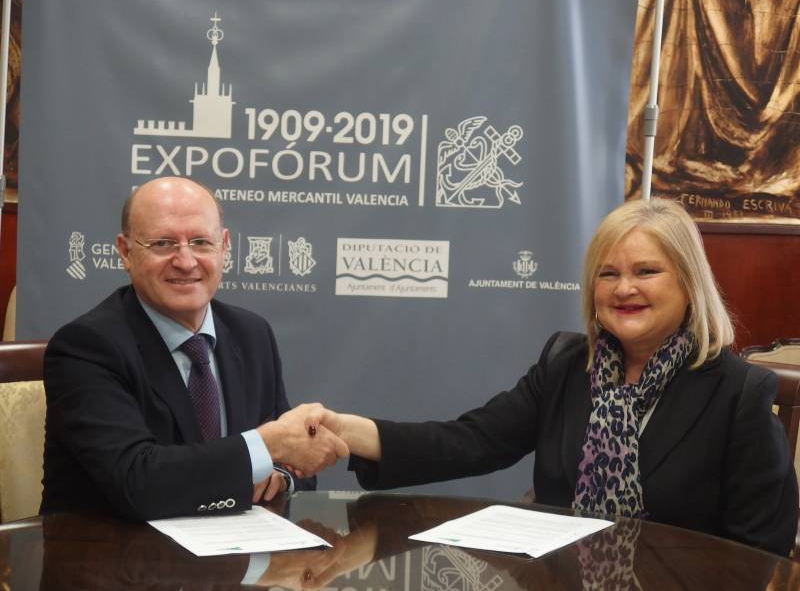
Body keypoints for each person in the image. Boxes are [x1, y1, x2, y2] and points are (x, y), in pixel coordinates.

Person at [312, 198, 799, 555]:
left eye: (646, 271)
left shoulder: (737, 393)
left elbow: (760, 553)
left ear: (688, 283)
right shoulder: (567, 364)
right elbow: (473, 440)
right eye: (608, 274)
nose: (624, 288)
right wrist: (351, 433)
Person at [41, 176, 347, 521]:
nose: (186, 261)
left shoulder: (252, 335)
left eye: (201, 242)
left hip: (235, 561)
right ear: (125, 252)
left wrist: (282, 477)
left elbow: (297, 463)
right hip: (118, 561)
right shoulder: (86, 348)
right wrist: (264, 446)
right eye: (163, 243)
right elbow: (138, 483)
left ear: (224, 247)